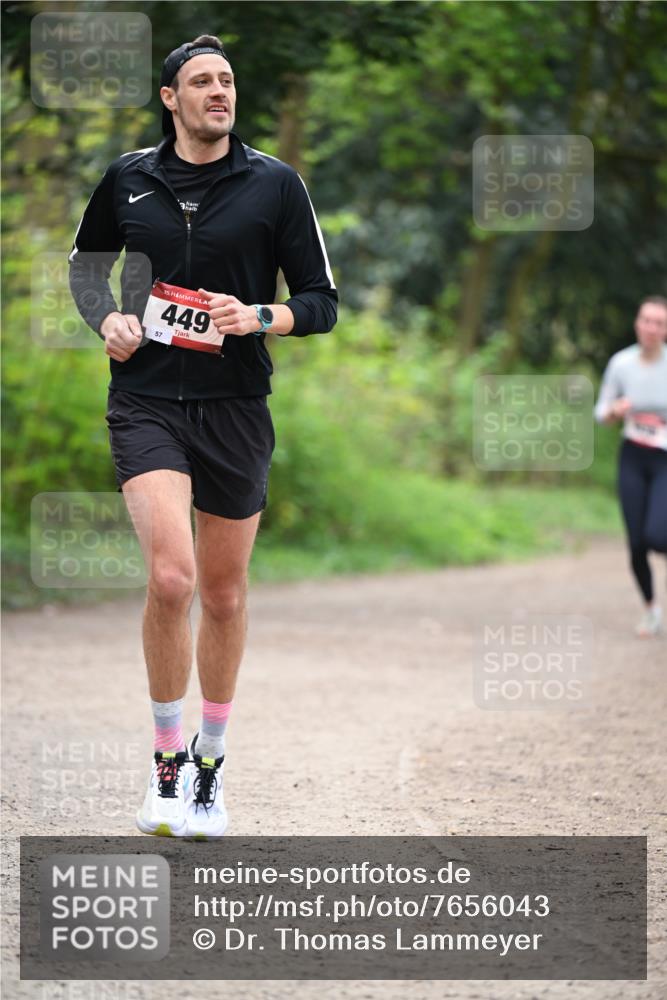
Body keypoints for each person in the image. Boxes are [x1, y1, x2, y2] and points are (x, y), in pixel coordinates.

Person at [68, 35, 338, 837]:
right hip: (146, 399)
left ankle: (210, 767)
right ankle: (164, 768)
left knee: (222, 593)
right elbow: (88, 266)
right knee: (173, 581)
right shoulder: (129, 177)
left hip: (235, 407)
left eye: (226, 79)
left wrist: (260, 316)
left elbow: (320, 300)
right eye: (201, 82)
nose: (219, 92)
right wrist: (107, 317)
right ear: (169, 98)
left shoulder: (274, 185)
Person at [594, 296, 667, 638]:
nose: (651, 328)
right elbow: (601, 413)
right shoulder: (621, 364)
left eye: (659, 323)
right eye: (646, 320)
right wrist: (614, 412)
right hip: (633, 455)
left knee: (657, 534)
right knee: (636, 542)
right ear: (637, 323)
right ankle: (651, 609)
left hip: (664, 458)